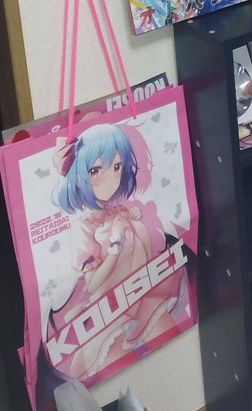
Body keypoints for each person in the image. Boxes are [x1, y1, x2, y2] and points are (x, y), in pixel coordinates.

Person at [50, 123, 188, 382]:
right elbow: (92, 285)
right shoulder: (82, 229)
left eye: (117, 166)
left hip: (142, 295)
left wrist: (136, 225)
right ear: (77, 177)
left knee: (174, 357)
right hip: (110, 313)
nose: (111, 178)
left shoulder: (120, 211)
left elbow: (141, 260)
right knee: (124, 379)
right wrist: (115, 244)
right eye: (95, 170)